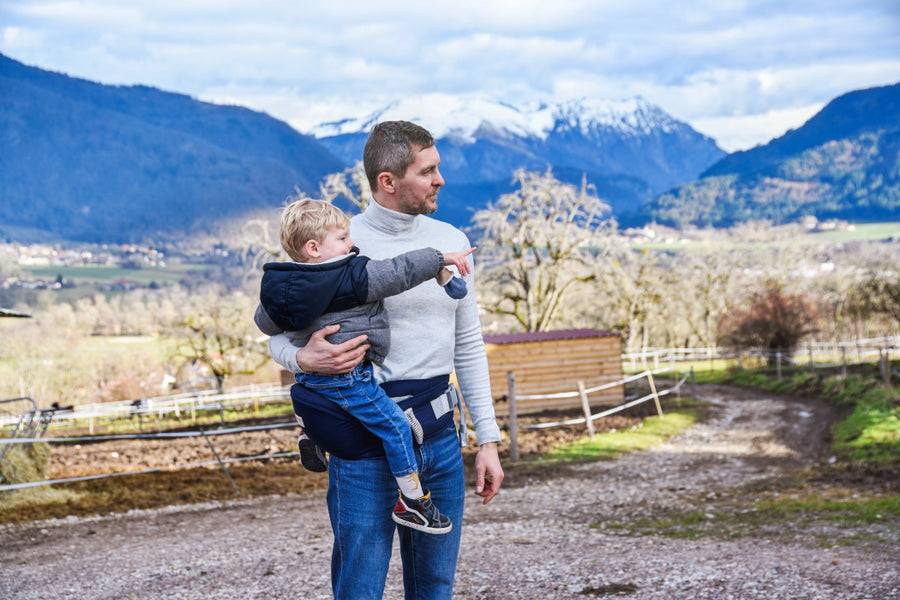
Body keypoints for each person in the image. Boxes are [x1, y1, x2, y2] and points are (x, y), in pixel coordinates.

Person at [267, 120, 504, 600]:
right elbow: (273, 329)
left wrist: (489, 439)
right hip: (362, 446)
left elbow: (469, 343)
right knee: (359, 587)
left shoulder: (452, 242)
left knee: (434, 589)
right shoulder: (337, 245)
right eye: (428, 170)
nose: (441, 180)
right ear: (388, 181)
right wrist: (302, 358)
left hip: (439, 439)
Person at [255, 197, 475, 534]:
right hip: (350, 378)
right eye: (342, 239)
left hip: (313, 380)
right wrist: (439, 258)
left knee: (329, 405)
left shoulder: (283, 286)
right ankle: (414, 502)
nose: (352, 243)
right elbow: (400, 271)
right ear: (314, 247)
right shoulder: (353, 276)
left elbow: (266, 324)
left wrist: (299, 348)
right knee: (398, 429)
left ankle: (310, 431)